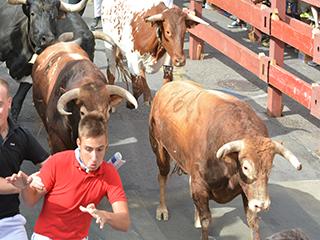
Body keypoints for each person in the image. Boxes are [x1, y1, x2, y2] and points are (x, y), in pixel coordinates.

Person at [7, 112, 130, 239]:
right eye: (88, 149)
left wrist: (105, 215)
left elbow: (124, 222)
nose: (94, 158)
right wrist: (25, 187)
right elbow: (30, 201)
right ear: (78, 143)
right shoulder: (58, 162)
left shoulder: (109, 173)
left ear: (106, 146)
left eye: (100, 149)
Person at [0, 78, 49, 240]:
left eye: (0, 104)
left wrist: (39, 178)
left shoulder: (21, 135)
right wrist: (23, 185)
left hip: (10, 222)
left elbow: (50, 166)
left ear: (9, 102)